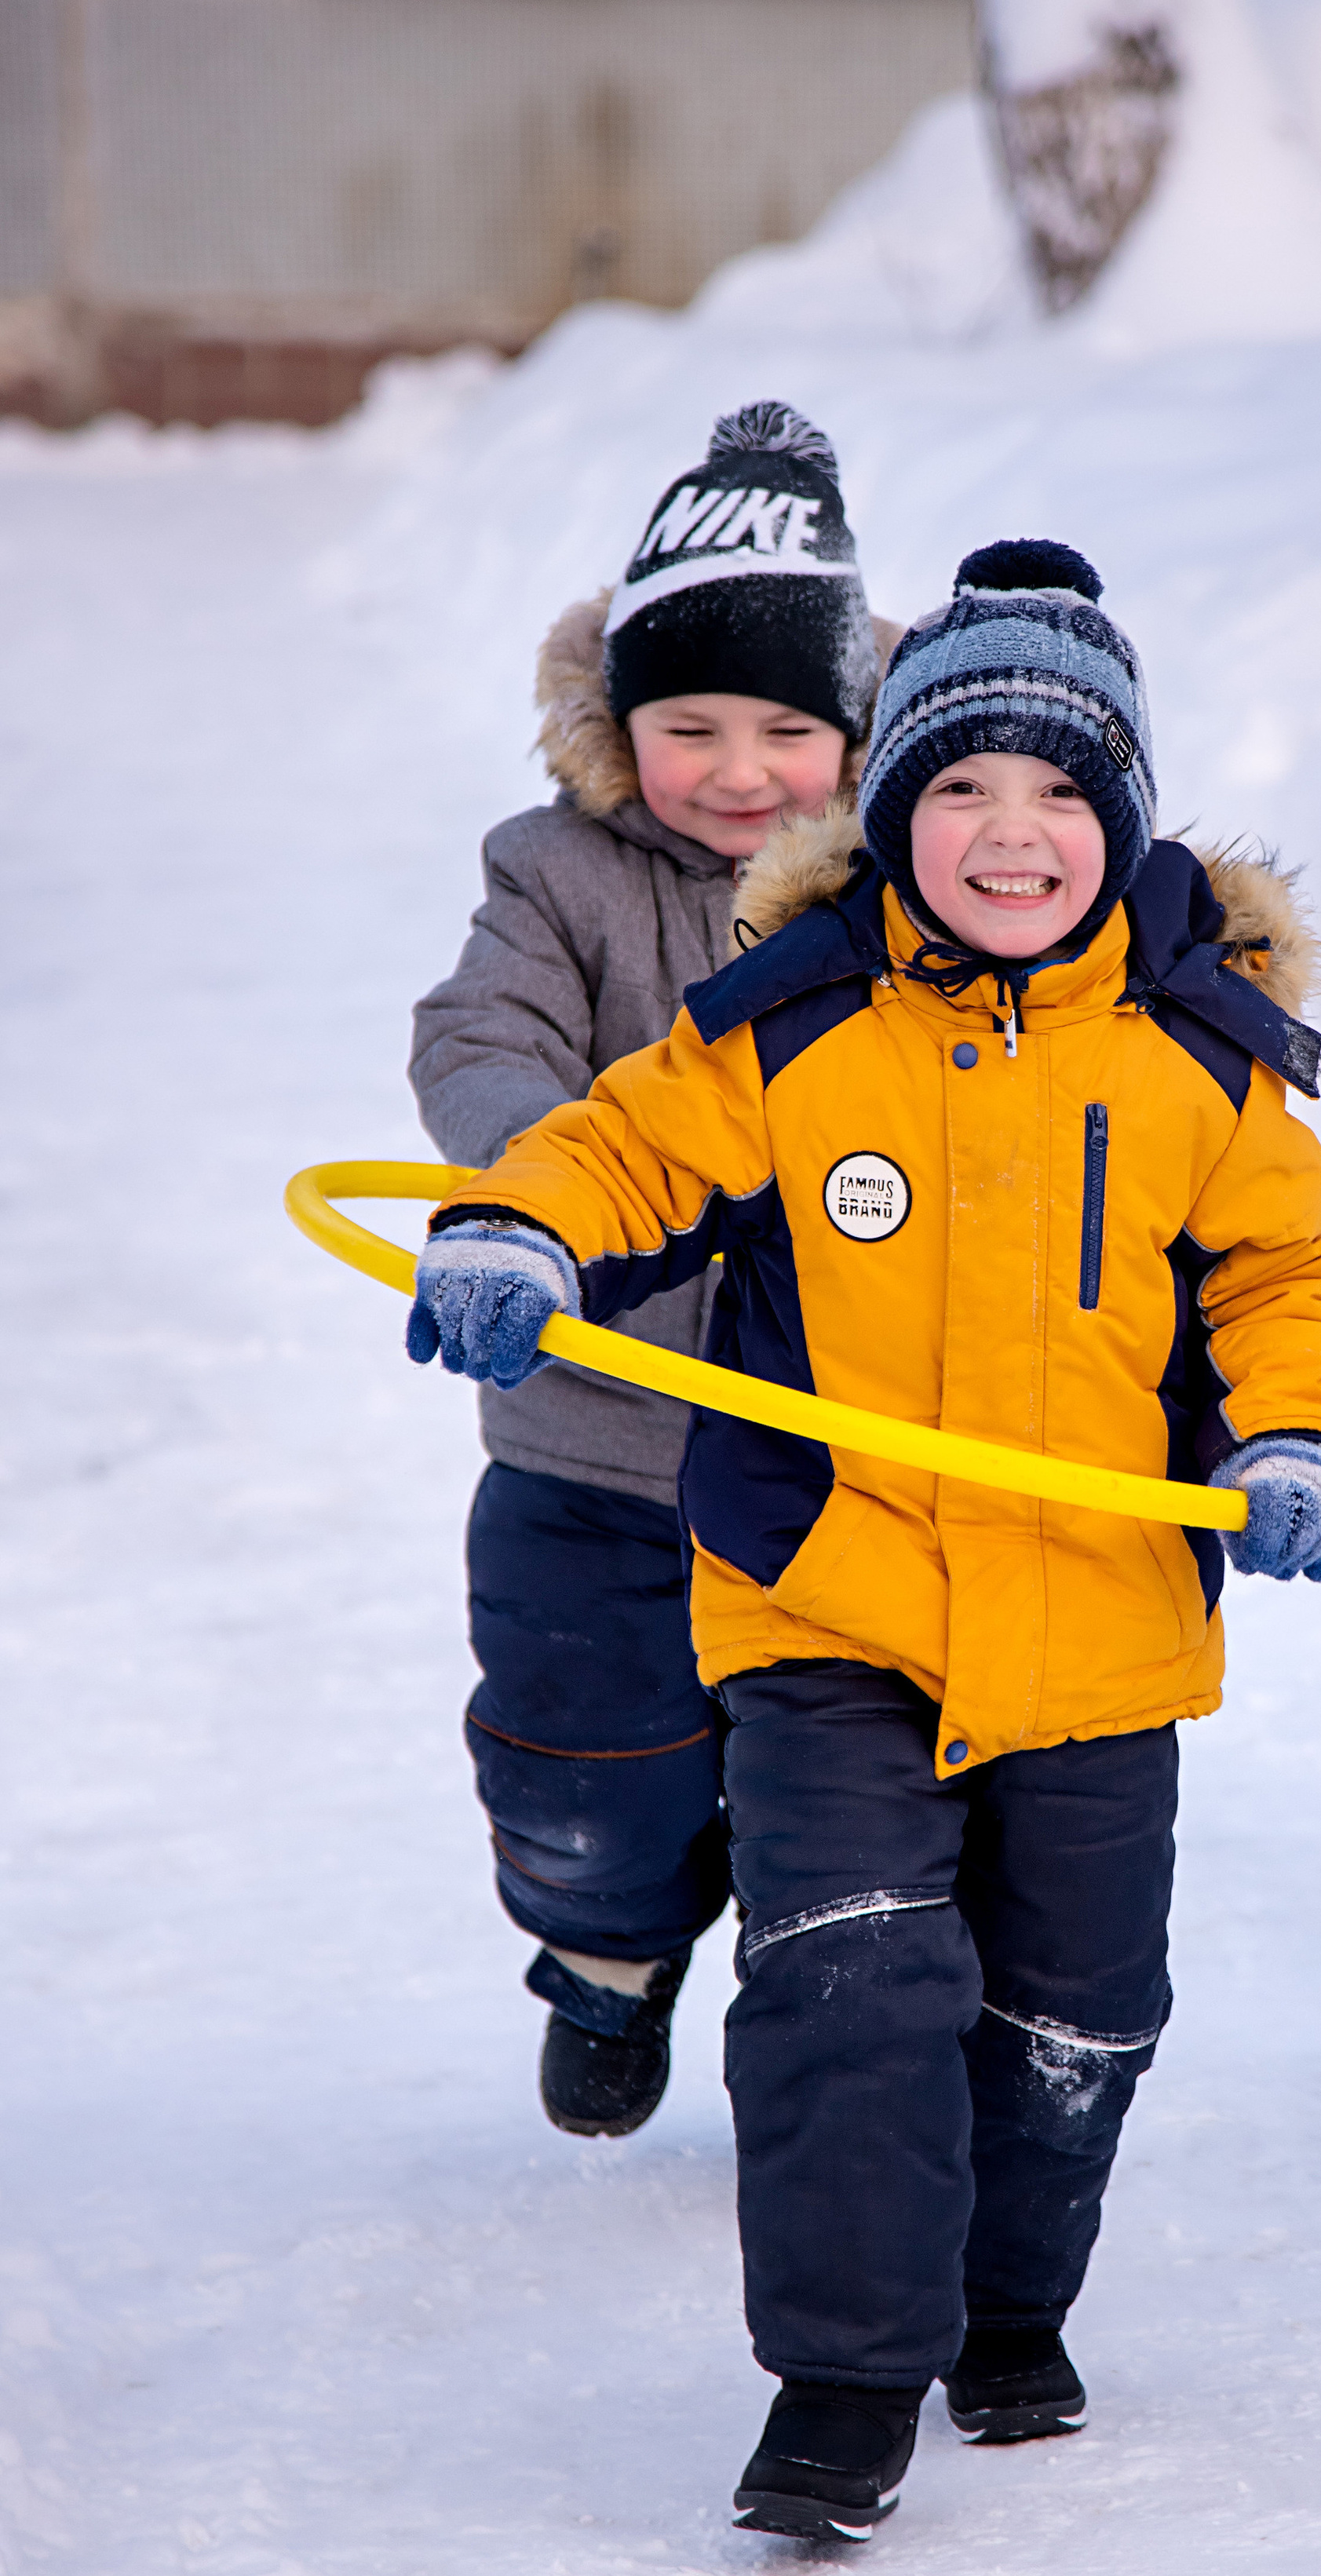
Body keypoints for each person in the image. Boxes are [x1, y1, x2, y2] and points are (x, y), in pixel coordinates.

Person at [404, 538, 1321, 2540]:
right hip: (829, 1595)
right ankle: (838, 2389)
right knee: (842, 1982)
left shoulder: (1199, 1053)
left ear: (1115, 823)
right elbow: (623, 1139)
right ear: (892, 811)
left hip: (1099, 1619)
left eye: (1054, 798)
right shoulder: (798, 1021)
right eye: (958, 791)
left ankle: (1005, 2313)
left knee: (1075, 2007)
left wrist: (1302, 1438)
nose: (1006, 837)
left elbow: (1278, 1276)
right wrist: (514, 1222)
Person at [408, 402, 889, 2143]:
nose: (740, 770)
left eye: (786, 728)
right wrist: (540, 1191)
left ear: (856, 730)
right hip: (595, 1434)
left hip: (823, 1440)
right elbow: (482, 1031)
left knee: (824, 1783)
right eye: (689, 727)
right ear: (619, 729)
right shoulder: (557, 878)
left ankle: (819, 2010)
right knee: (582, 1760)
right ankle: (608, 1956)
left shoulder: (895, 896)